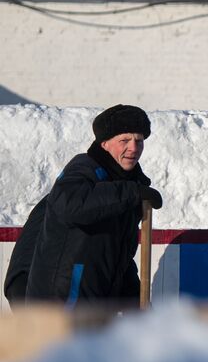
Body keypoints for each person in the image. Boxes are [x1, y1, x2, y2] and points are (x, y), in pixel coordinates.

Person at [24, 105, 163, 305]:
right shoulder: (83, 169)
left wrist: (135, 300)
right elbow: (72, 206)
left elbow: (118, 256)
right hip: (61, 305)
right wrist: (132, 192)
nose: (133, 148)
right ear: (104, 144)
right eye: (124, 140)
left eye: (139, 141)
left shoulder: (126, 186)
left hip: (94, 305)